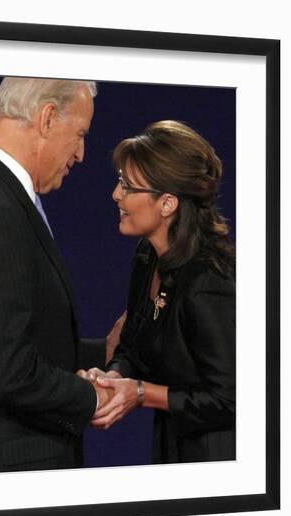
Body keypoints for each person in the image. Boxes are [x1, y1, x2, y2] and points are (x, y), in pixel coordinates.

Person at [0, 77, 113, 473]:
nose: (82, 153)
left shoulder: (0, 194)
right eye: (80, 135)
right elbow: (7, 370)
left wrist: (100, 352)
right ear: (48, 118)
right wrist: (92, 397)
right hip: (14, 472)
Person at [81, 120, 235, 464]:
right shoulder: (147, 256)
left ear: (167, 203)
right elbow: (133, 345)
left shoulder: (209, 283)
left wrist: (140, 393)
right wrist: (113, 376)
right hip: (171, 445)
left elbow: (231, 400)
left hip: (219, 458)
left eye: (127, 186)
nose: (115, 195)